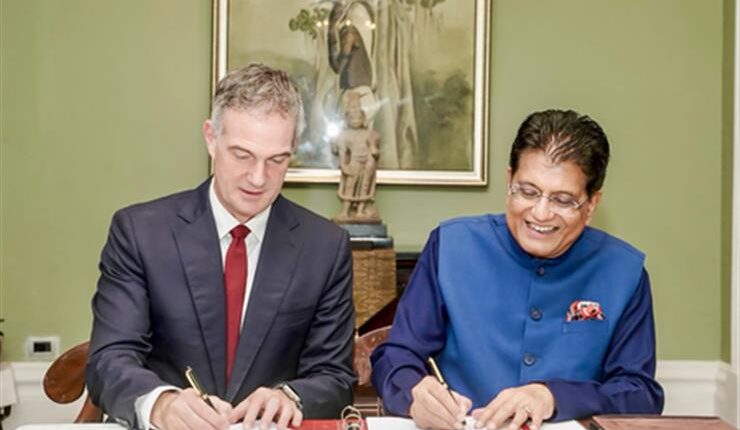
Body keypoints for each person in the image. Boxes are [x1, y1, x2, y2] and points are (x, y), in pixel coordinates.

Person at [86, 63, 355, 430]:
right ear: (211, 138)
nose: (258, 178)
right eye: (242, 155)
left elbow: (335, 376)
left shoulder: (325, 247)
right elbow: (110, 359)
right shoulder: (141, 233)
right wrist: (162, 404)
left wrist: (291, 396)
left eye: (277, 160)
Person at [370, 109, 664, 430]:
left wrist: (554, 396)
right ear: (509, 181)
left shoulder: (624, 272)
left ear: (591, 204)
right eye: (528, 192)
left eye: (563, 200)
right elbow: (395, 356)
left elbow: (640, 394)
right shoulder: (450, 246)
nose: (541, 213)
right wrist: (415, 393)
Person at [331, 91, 380, 222]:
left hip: (368, 162)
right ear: (347, 119)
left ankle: (360, 211)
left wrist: (373, 150)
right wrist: (344, 166)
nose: (356, 120)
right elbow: (342, 152)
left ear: (363, 118)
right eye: (352, 118)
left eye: (359, 117)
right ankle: (345, 211)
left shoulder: (369, 133)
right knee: (350, 186)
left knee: (365, 186)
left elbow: (374, 150)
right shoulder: (344, 135)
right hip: (354, 163)